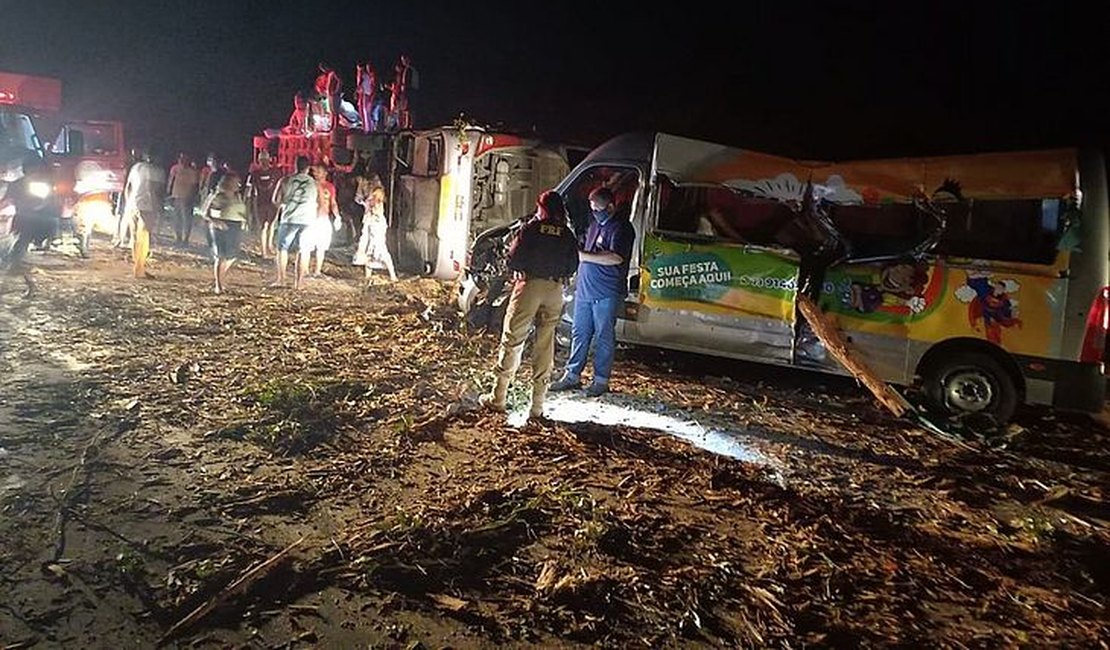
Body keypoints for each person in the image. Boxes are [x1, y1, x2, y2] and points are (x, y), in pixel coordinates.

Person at [479, 191, 579, 419]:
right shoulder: (566, 233)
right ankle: (537, 406)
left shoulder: (531, 229)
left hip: (529, 287)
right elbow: (573, 264)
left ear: (541, 207)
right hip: (555, 291)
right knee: (545, 345)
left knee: (513, 339)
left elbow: (513, 258)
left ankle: (499, 396)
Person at [549, 187, 635, 397]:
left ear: (611, 206)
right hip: (586, 290)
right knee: (580, 333)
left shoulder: (621, 228)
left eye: (599, 208)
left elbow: (616, 258)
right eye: (593, 208)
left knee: (603, 337)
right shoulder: (595, 224)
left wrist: (583, 256)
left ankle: (601, 381)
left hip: (607, 291)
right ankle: (572, 375)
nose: (595, 211)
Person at [271, 155, 318, 289]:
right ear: (308, 168)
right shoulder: (313, 183)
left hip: (289, 219)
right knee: (303, 251)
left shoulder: (285, 180)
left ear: (295, 165)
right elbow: (318, 201)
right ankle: (299, 283)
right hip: (308, 220)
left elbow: (275, 200)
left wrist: (285, 205)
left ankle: (281, 279)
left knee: (282, 249)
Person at [123, 150, 165, 279]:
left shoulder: (136, 167)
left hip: (132, 204)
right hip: (148, 206)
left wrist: (128, 203)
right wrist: (159, 208)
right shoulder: (158, 171)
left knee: (135, 238)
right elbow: (157, 192)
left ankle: (137, 267)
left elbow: (127, 188)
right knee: (144, 238)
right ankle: (139, 269)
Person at [202, 173, 248, 294]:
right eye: (235, 182)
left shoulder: (237, 196)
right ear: (228, 182)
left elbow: (241, 210)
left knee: (232, 255)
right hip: (221, 227)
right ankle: (218, 285)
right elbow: (204, 213)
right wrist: (216, 222)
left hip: (236, 226)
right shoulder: (217, 195)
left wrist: (244, 220)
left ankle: (220, 278)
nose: (238, 185)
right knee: (221, 255)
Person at [352, 173, 396, 282]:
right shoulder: (367, 189)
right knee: (367, 246)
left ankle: (393, 275)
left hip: (377, 222)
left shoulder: (378, 192)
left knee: (380, 247)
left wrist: (366, 200)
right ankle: (368, 276)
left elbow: (373, 203)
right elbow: (359, 199)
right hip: (368, 220)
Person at [303, 165, 341, 277]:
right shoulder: (310, 185)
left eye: (318, 171)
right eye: (315, 172)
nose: (316, 174)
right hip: (310, 219)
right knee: (307, 246)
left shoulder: (330, 187)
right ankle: (305, 270)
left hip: (323, 219)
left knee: (321, 247)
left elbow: (333, 202)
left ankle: (317, 271)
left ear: (325, 173)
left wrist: (337, 216)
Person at [245, 151, 281, 257]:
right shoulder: (254, 174)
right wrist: (246, 201)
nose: (264, 162)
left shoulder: (276, 173)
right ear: (259, 161)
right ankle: (264, 250)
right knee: (263, 227)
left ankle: (269, 246)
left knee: (271, 225)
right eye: (262, 160)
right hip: (260, 203)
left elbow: (280, 187)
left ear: (269, 160)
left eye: (265, 160)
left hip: (272, 203)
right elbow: (249, 188)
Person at [166, 153, 200, 246]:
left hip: (187, 198)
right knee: (177, 218)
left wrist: (193, 197)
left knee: (186, 219)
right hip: (177, 196)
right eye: (181, 158)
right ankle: (178, 238)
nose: (181, 161)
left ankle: (185, 240)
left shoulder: (192, 171)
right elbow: (171, 180)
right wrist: (169, 192)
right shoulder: (175, 168)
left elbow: (194, 186)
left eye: (184, 159)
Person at [356, 63, 378, 133]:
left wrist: (372, 96)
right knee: (363, 111)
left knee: (367, 112)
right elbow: (359, 85)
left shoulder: (370, 76)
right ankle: (366, 128)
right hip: (364, 94)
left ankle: (369, 129)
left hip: (368, 94)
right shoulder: (364, 76)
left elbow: (374, 87)